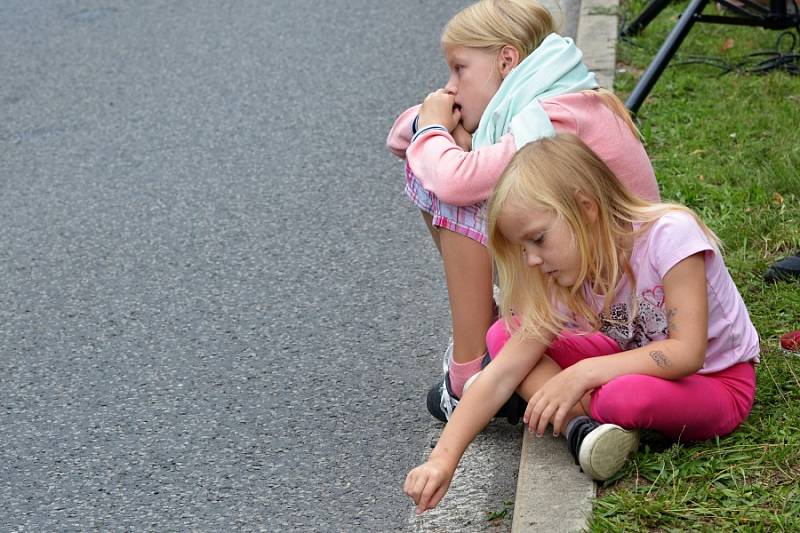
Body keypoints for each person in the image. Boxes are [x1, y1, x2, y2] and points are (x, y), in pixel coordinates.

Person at [404, 134, 760, 514]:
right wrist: (442, 459)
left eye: (538, 240)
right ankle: (580, 427)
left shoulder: (670, 236)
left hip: (718, 380)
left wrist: (582, 374)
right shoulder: (570, 270)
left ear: (586, 208)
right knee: (504, 336)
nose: (533, 261)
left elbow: (688, 353)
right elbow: (502, 372)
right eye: (525, 249)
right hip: (634, 359)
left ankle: (554, 401)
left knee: (622, 398)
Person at [387, 0, 660, 423]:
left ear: (507, 60)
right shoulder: (550, 97)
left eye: (459, 69)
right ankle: (488, 347)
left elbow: (453, 181)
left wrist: (433, 127)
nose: (451, 87)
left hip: (624, 310)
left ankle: (471, 368)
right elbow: (403, 141)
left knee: (457, 192)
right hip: (595, 284)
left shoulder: (552, 118)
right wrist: (435, 122)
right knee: (442, 160)